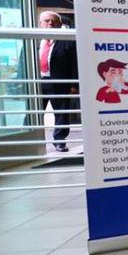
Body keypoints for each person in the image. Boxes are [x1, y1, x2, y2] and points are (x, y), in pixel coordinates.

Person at [38, 12, 78, 152]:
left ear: (60, 24)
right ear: (40, 23)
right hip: (38, 82)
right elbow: (23, 61)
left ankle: (60, 141)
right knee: (34, 112)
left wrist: (74, 84)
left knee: (61, 113)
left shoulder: (68, 40)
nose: (50, 23)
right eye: (47, 21)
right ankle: (30, 140)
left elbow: (75, 63)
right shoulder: (34, 40)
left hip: (60, 82)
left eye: (54, 21)